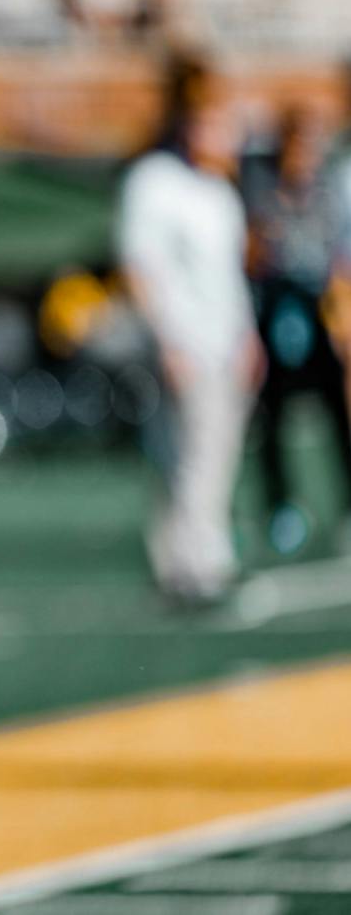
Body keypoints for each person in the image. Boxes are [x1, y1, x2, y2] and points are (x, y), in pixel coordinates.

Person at [117, 58, 260, 603]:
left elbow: (230, 278)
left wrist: (247, 336)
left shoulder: (219, 193)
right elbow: (141, 268)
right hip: (185, 344)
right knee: (187, 454)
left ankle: (207, 551)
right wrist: (167, 339)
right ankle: (188, 562)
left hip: (223, 344)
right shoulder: (154, 182)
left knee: (217, 452)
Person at [243, 104, 351, 552]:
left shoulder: (327, 190)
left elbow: (337, 260)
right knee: (274, 414)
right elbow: (252, 256)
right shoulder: (262, 191)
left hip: (318, 309)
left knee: (337, 411)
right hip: (275, 310)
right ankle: (281, 505)